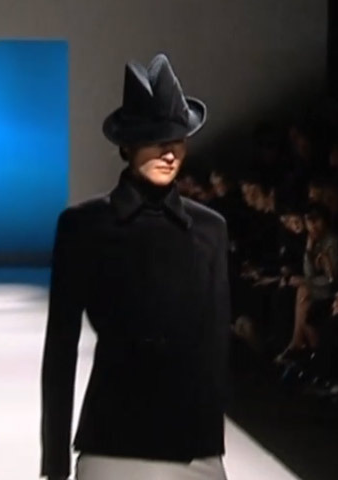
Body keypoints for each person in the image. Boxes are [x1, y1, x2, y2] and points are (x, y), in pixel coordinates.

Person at [40, 53, 231, 480]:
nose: (169, 152)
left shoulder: (210, 229)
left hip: (192, 444)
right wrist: (54, 465)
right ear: (126, 146)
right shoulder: (83, 226)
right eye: (154, 139)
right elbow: (60, 349)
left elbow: (217, 347)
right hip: (112, 434)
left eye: (177, 138)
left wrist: (211, 441)